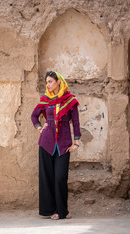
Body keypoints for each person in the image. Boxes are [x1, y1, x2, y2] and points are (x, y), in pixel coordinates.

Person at [31, 71, 81, 220]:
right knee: (47, 178)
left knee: (60, 177)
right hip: (46, 143)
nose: (48, 85)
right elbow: (34, 116)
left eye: (50, 81)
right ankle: (51, 210)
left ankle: (62, 211)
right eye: (46, 82)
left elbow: (76, 122)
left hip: (64, 144)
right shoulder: (45, 99)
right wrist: (40, 128)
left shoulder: (70, 100)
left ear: (59, 81)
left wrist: (76, 143)